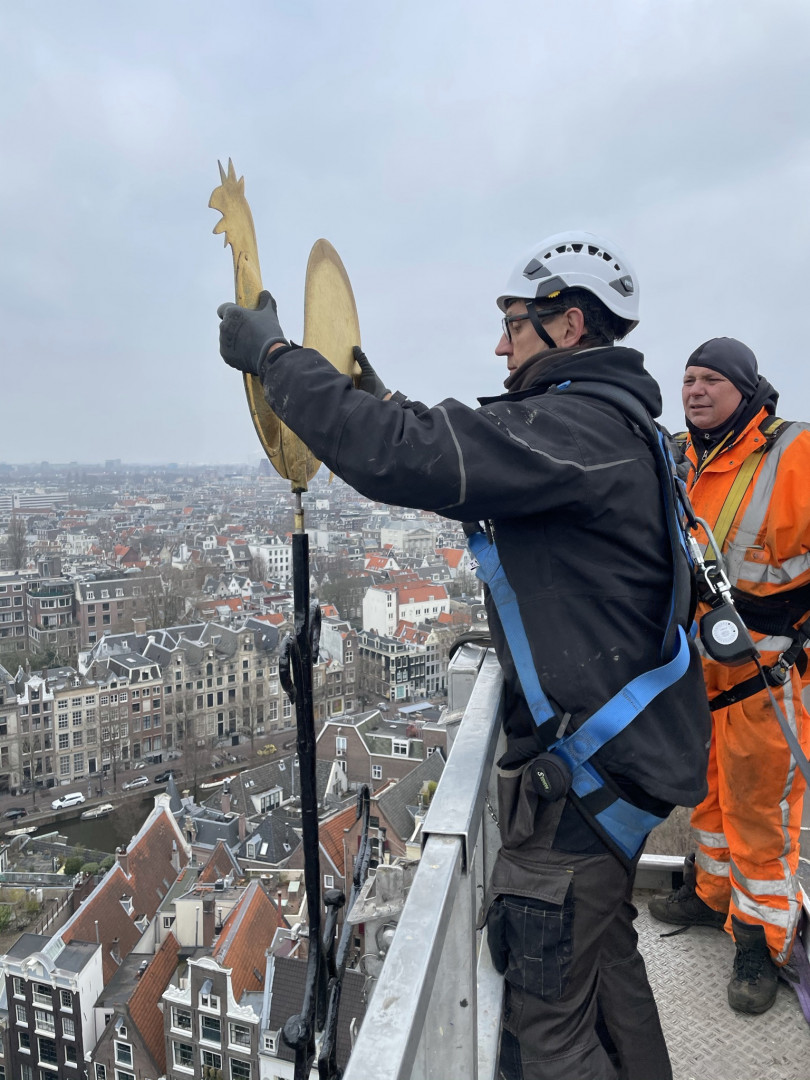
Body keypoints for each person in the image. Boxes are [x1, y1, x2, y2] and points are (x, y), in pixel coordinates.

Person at [217, 232, 712, 1080]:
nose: (499, 344)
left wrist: (273, 356)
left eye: (513, 324)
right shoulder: (614, 427)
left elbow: (402, 456)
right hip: (624, 766)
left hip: (580, 786)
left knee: (548, 1024)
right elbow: (471, 464)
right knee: (605, 966)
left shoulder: (574, 427)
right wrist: (376, 394)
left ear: (569, 324)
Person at [649, 338, 810, 1013]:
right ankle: (713, 891)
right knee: (709, 791)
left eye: (710, 379)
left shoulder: (792, 453)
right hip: (701, 663)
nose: (695, 390)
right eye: (687, 379)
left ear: (745, 389)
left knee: (760, 811)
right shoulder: (685, 457)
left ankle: (761, 937)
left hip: (770, 669)